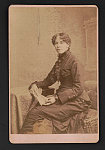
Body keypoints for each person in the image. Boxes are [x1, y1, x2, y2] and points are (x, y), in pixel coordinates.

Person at [20, 33, 91, 134]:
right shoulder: (60, 61)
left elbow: (78, 88)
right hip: (63, 99)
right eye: (56, 43)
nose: (58, 46)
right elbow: (49, 80)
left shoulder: (75, 62)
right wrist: (36, 84)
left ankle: (23, 139)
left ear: (68, 44)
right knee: (36, 109)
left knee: (35, 112)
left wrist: (56, 97)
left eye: (61, 43)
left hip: (77, 102)